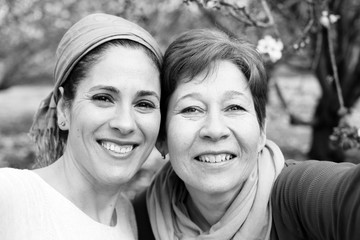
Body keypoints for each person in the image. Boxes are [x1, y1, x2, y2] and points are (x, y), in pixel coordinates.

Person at [132, 28, 360, 240]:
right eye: (191, 109)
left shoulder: (300, 196)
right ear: (161, 138)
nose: (215, 130)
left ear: (262, 130)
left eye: (234, 107)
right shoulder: (138, 220)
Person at [0, 13, 163, 240]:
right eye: (104, 98)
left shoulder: (129, 218)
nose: (125, 124)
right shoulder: (10, 196)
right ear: (63, 108)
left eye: (144, 104)